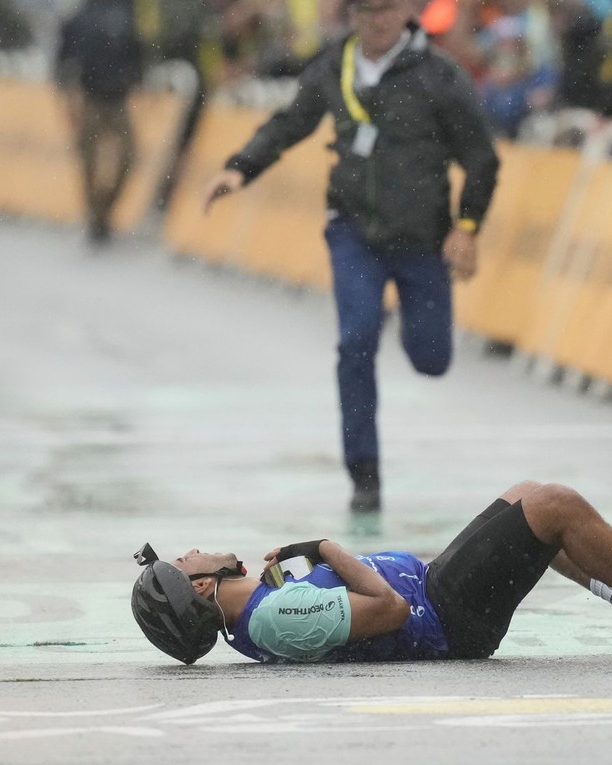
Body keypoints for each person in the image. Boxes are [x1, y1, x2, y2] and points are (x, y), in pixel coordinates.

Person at [201, 0, 501, 515]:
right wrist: (241, 168)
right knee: (355, 341)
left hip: (422, 236)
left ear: (408, 11)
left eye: (385, 10)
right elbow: (290, 122)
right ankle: (364, 473)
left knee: (431, 359)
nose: (376, 21)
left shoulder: (440, 75)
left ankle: (405, 315)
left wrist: (468, 226)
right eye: (365, 11)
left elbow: (481, 158)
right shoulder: (333, 65)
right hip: (353, 231)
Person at [131, 480, 612, 663]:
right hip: (444, 614)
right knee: (551, 505)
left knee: (528, 518)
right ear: (200, 587)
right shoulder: (271, 618)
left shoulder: (262, 607)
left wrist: (297, 561)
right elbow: (386, 610)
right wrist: (326, 546)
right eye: (182, 560)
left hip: (438, 592)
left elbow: (314, 613)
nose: (190, 549)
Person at [55, 0, 144, 245]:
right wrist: (67, 93)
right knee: (89, 162)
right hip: (90, 97)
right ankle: (95, 218)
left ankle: (103, 212)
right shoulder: (82, 15)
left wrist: (138, 78)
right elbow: (64, 56)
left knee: (129, 156)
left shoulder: (127, 10)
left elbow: (138, 48)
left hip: (118, 98)